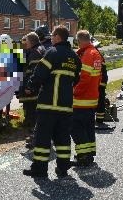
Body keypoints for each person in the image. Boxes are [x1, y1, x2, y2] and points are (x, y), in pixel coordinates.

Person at [22, 25, 81, 179]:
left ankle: (39, 170)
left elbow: (39, 74)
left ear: (57, 37)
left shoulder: (52, 53)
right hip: (66, 106)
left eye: (53, 35)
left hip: (48, 105)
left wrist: (30, 87)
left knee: (42, 138)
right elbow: (76, 79)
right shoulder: (74, 58)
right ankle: (63, 168)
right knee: (63, 139)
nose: (51, 38)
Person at [71, 30, 103, 167]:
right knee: (88, 128)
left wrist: (73, 92)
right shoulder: (95, 53)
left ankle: (83, 156)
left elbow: (83, 78)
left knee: (76, 128)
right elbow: (97, 77)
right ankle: (89, 155)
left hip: (81, 100)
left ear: (79, 40)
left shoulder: (88, 55)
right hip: (91, 99)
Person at [17, 32, 45, 149]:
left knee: (33, 113)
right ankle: (35, 136)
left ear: (31, 42)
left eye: (26, 42)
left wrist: (29, 87)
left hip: (33, 90)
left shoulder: (34, 52)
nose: (25, 44)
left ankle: (36, 139)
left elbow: (34, 72)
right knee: (34, 113)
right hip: (38, 89)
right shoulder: (41, 49)